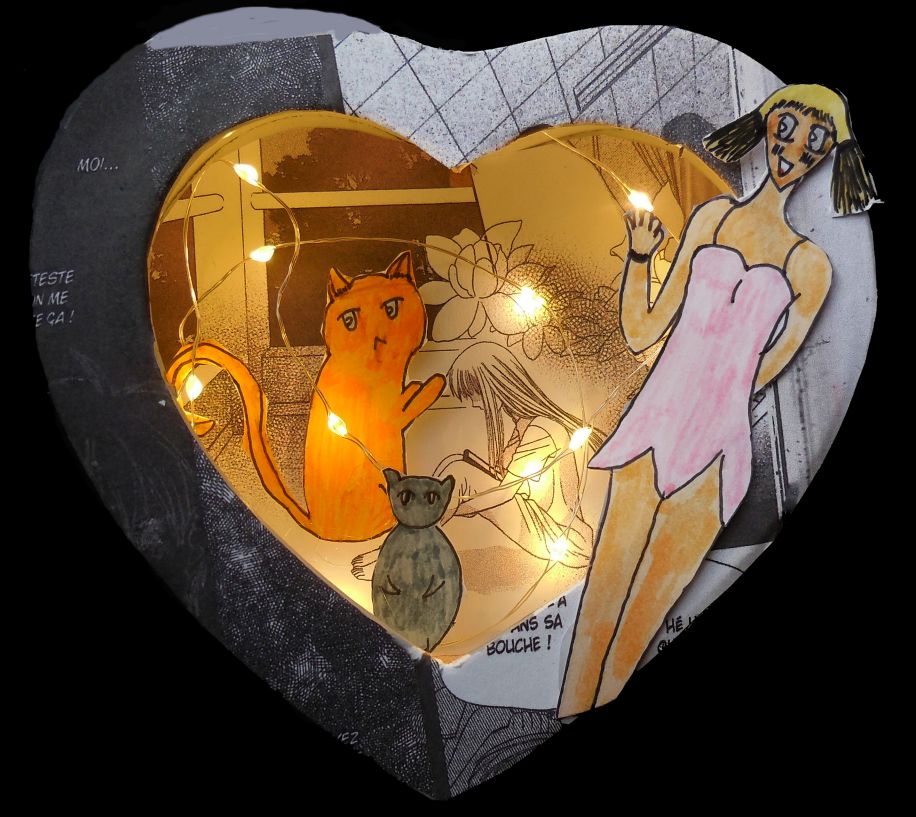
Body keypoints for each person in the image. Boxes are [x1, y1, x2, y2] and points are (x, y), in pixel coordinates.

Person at [558, 84, 878, 716]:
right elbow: (643, 331)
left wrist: (713, 385)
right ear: (765, 126)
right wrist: (640, 259)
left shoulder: (810, 268)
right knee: (597, 613)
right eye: (787, 128)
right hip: (648, 431)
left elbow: (764, 372)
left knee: (636, 637)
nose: (795, 149)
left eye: (816, 140)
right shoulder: (710, 220)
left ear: (828, 154)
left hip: (716, 456)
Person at [435, 342, 602, 569]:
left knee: (460, 472)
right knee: (457, 470)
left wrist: (458, 507)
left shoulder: (542, 429)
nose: (474, 403)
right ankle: (424, 522)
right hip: (539, 523)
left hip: (559, 537)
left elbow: (504, 494)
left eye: (476, 394)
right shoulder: (523, 427)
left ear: (495, 385)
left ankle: (423, 527)